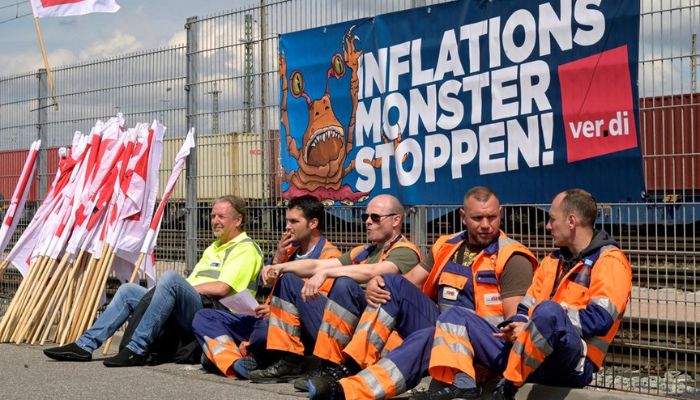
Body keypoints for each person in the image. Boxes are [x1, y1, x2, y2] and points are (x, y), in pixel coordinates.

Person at [305, 186, 538, 400]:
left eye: (492, 217)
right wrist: (378, 283)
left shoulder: (512, 258)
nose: (486, 225)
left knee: (423, 340)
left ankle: (347, 390)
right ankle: (350, 374)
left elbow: (511, 330)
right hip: (443, 331)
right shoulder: (446, 245)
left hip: (482, 346)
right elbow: (408, 284)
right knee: (392, 284)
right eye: (477, 218)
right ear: (462, 217)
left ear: (501, 213)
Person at [43, 195, 263, 367]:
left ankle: (137, 349)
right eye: (213, 216)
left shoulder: (244, 249)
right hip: (195, 305)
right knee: (129, 290)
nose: (214, 221)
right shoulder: (213, 248)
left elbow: (222, 288)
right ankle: (84, 346)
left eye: (220, 217)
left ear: (238, 220)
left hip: (218, 314)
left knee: (171, 279)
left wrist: (180, 288)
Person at [248, 194, 422, 384]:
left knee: (344, 284)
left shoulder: (406, 250)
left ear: (396, 220)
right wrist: (279, 267)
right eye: (365, 217)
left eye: (375, 217)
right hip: (348, 328)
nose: (368, 222)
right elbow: (315, 266)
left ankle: (332, 367)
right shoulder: (364, 250)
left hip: (376, 335)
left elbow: (376, 270)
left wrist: (329, 272)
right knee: (288, 280)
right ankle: (290, 361)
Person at [490, 189, 632, 399]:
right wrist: (519, 323)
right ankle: (460, 383)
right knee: (460, 318)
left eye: (552, 219)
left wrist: (543, 323)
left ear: (572, 221)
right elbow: (525, 306)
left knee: (549, 312)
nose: (547, 226)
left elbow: (601, 319)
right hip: (535, 350)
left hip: (575, 362)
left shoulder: (610, 262)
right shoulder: (552, 261)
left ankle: (508, 386)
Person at [191, 195, 341, 378]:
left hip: (292, 327)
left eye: (294, 221)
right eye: (287, 221)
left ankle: (236, 354)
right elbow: (265, 288)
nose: (287, 227)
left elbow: (315, 308)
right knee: (205, 317)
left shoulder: (330, 256)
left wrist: (276, 310)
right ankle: (234, 362)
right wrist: (277, 259)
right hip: (265, 318)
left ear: (313, 223)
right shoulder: (289, 252)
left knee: (263, 332)